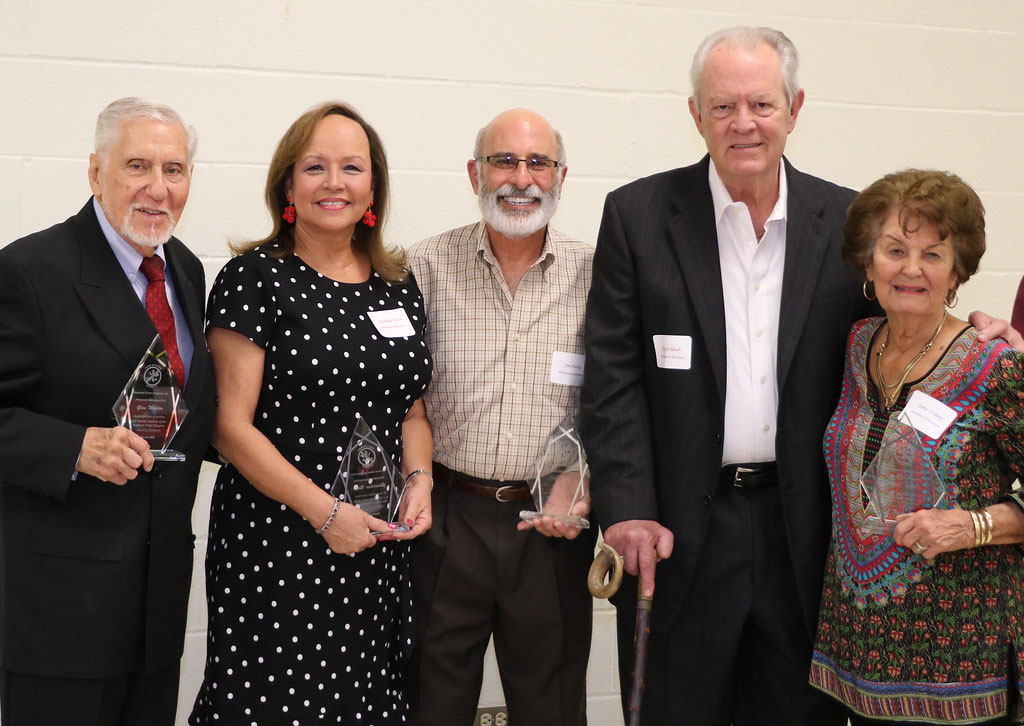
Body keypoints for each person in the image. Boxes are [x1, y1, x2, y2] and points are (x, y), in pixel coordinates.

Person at [579, 26, 1024, 726]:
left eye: (761, 103)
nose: (743, 123)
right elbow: (610, 380)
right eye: (722, 107)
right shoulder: (637, 217)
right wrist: (626, 504)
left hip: (810, 541)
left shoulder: (850, 222)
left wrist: (982, 327)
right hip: (679, 534)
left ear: (795, 107)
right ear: (696, 114)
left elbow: (907, 313)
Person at [189, 101, 433, 724]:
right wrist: (325, 515)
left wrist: (420, 480)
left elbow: (409, 411)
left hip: (377, 545)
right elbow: (228, 426)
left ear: (373, 185)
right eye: (315, 166)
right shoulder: (255, 278)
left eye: (351, 167)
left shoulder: (397, 284)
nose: (334, 183)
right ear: (288, 184)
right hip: (280, 544)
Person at [0, 97, 216, 726]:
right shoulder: (30, 271)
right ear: (96, 172)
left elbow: (185, 404)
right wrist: (73, 448)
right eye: (137, 166)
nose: (157, 188)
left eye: (174, 170)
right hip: (61, 614)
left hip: (156, 606)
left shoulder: (184, 269)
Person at [810, 169, 1024, 724]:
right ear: (868, 260)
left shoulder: (995, 365)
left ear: (957, 272)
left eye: (933, 254)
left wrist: (973, 525)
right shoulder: (857, 345)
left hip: (957, 665)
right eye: (895, 249)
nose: (910, 269)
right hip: (856, 656)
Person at [406, 108, 595, 726]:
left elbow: (621, 401)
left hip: (551, 524)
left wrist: (583, 481)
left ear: (561, 175)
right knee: (432, 701)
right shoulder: (421, 267)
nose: (522, 177)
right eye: (504, 161)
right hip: (445, 519)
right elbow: (397, 395)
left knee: (552, 703)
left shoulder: (599, 273)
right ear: (474, 173)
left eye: (538, 162)